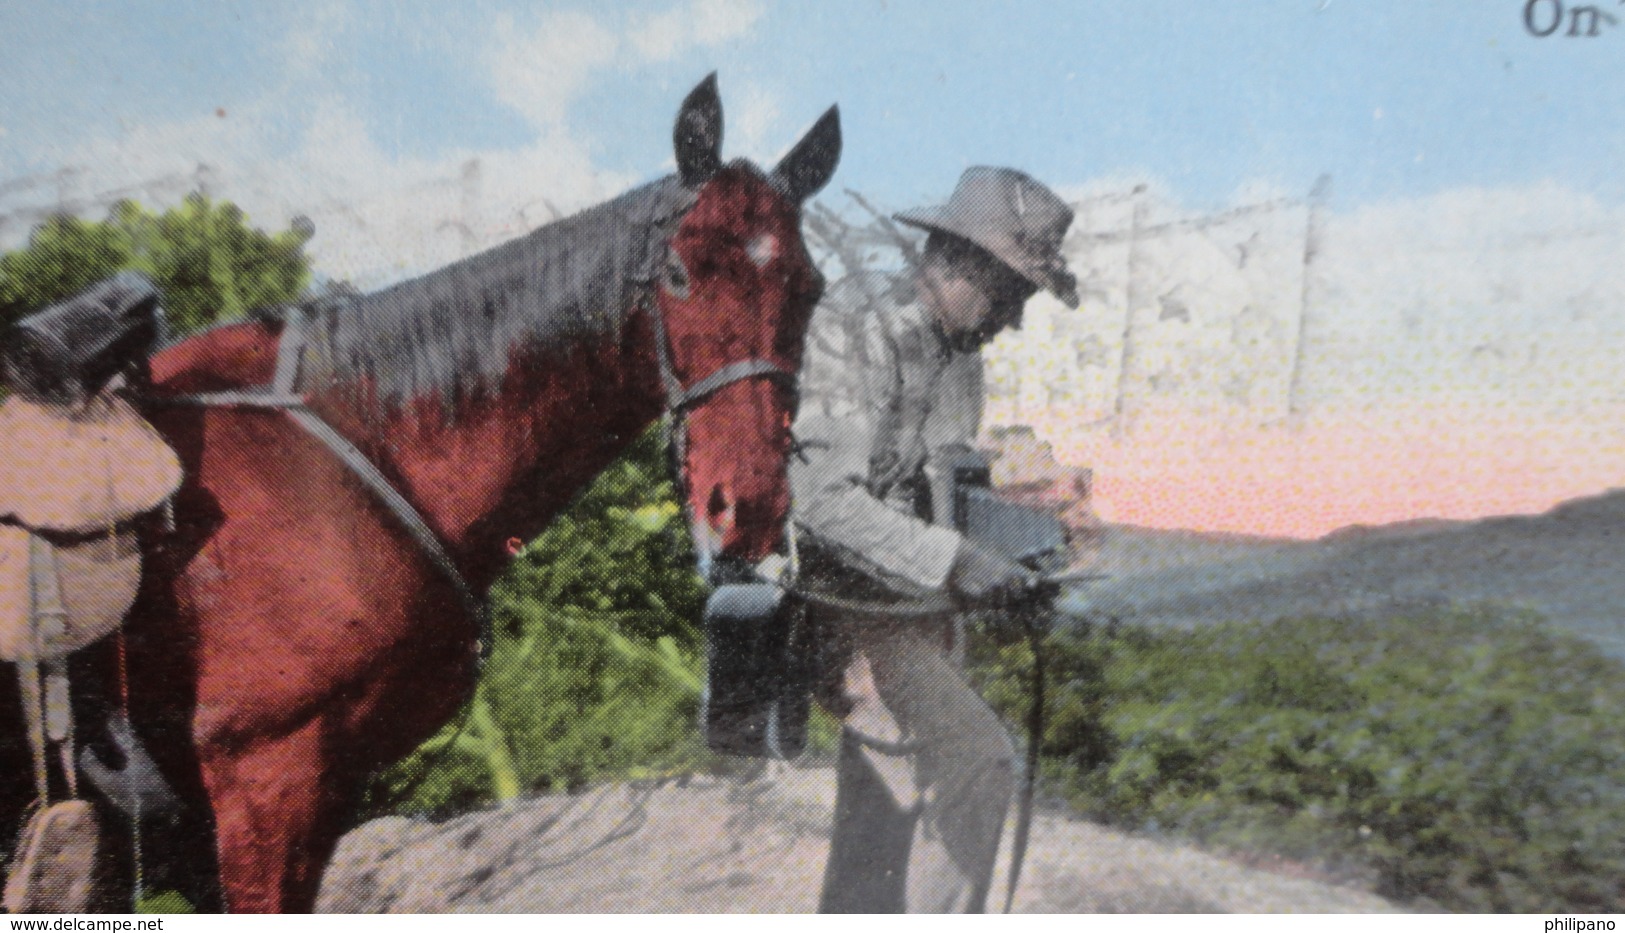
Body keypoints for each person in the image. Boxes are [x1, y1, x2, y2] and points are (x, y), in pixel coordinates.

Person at [790, 166, 1080, 912]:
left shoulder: (961, 360)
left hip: (893, 606)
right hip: (812, 596)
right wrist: (955, 560)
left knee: (886, 808)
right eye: (1009, 293)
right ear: (950, 262)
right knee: (975, 759)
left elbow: (937, 495)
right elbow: (819, 502)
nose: (1012, 318)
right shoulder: (851, 332)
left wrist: (1015, 561)